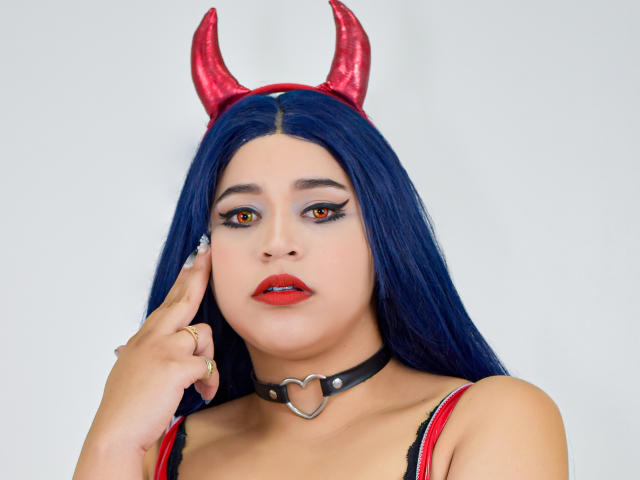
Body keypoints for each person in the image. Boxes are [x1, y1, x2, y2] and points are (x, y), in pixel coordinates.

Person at [73, 2, 569, 479]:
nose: (277, 244)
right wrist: (110, 441)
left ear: (384, 232)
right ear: (201, 251)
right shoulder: (147, 454)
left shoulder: (491, 420)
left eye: (321, 211)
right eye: (242, 216)